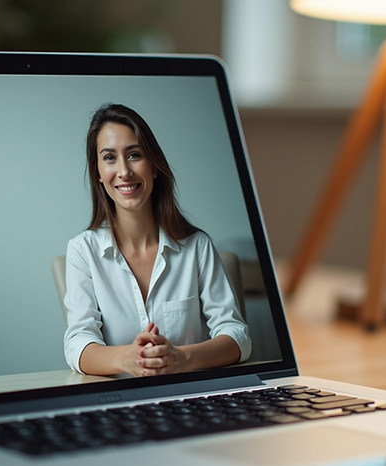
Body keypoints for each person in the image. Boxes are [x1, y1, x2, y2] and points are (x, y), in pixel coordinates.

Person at [63, 103, 251, 377]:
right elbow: (78, 344)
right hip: (119, 406)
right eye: (109, 158)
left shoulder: (197, 247)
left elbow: (238, 337)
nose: (124, 171)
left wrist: (182, 358)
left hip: (190, 402)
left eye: (134, 155)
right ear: (99, 175)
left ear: (153, 166)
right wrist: (126, 358)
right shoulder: (82, 252)